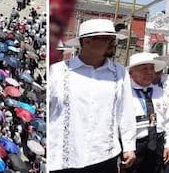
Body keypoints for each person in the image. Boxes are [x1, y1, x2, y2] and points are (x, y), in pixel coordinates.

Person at [48, 18, 136, 173]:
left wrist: (129, 146)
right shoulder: (57, 72)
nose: (113, 44)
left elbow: (125, 112)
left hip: (104, 156)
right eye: (107, 39)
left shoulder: (120, 73)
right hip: (65, 158)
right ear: (87, 41)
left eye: (113, 40)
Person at [127, 52, 169, 173]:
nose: (150, 72)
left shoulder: (158, 91)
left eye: (152, 68)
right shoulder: (124, 92)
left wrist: (168, 144)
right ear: (131, 72)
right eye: (144, 69)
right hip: (133, 147)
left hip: (157, 145)